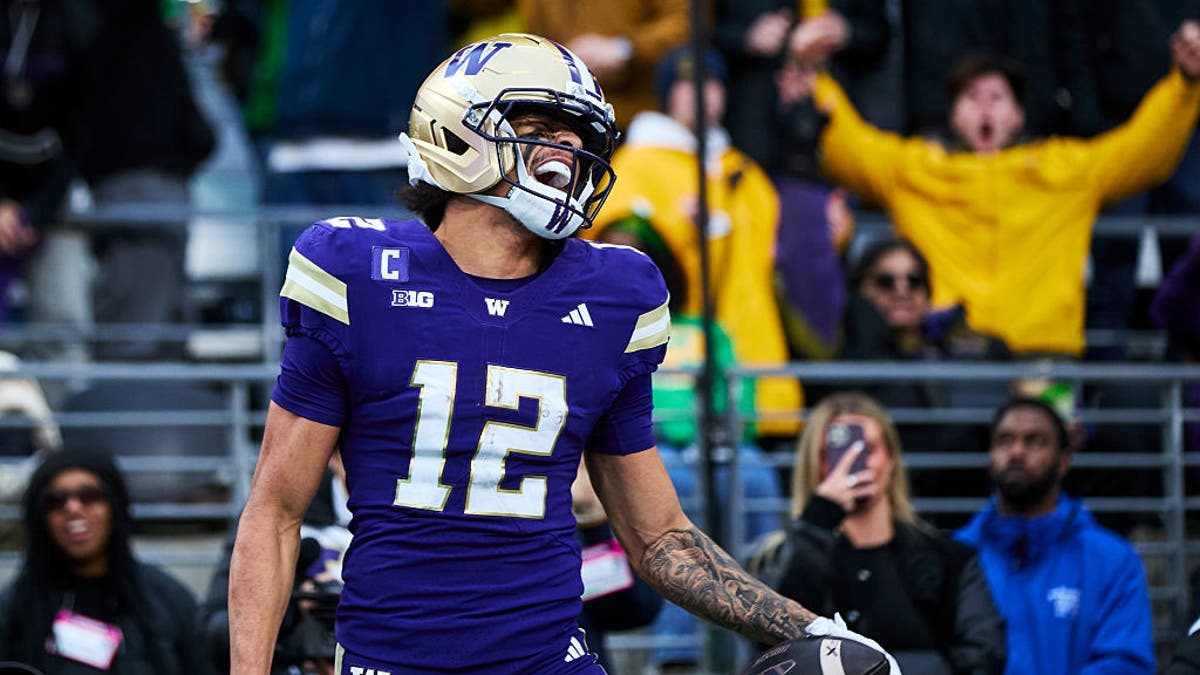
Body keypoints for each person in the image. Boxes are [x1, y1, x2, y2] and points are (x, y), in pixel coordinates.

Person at [227, 34, 900, 675]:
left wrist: (810, 628)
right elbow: (276, 512)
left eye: (578, 135)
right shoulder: (356, 272)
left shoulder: (613, 295)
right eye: (543, 127)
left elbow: (659, 537)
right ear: (458, 129)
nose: (569, 149)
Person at [784, 21, 1200, 357]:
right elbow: (847, 143)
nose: (984, 108)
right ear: (952, 113)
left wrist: (1184, 84)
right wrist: (810, 73)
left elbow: (1145, 149)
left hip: (1044, 358)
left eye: (997, 97)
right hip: (944, 354)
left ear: (1019, 114)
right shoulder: (913, 168)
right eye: (970, 97)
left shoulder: (1068, 168)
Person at [585, 46, 801, 440]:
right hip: (682, 379)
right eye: (686, 83)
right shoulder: (636, 166)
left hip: (755, 362)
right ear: (667, 93)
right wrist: (682, 232)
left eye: (712, 83)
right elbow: (614, 260)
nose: (701, 94)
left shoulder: (747, 174)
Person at [749, 392, 1006, 674]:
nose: (854, 463)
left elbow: (983, 656)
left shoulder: (948, 559)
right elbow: (768, 650)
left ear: (891, 457)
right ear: (815, 464)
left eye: (866, 449)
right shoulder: (778, 558)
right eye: (834, 452)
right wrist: (817, 521)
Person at [955, 398, 1156, 675]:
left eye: (1034, 441)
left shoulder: (1113, 561)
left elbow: (1124, 665)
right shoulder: (957, 556)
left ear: (1063, 461)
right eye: (1005, 440)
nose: (1016, 452)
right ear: (990, 456)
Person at [0, 448, 209, 674]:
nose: (73, 508)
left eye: (90, 496)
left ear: (115, 506)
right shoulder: (14, 609)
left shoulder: (166, 598)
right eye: (56, 501)